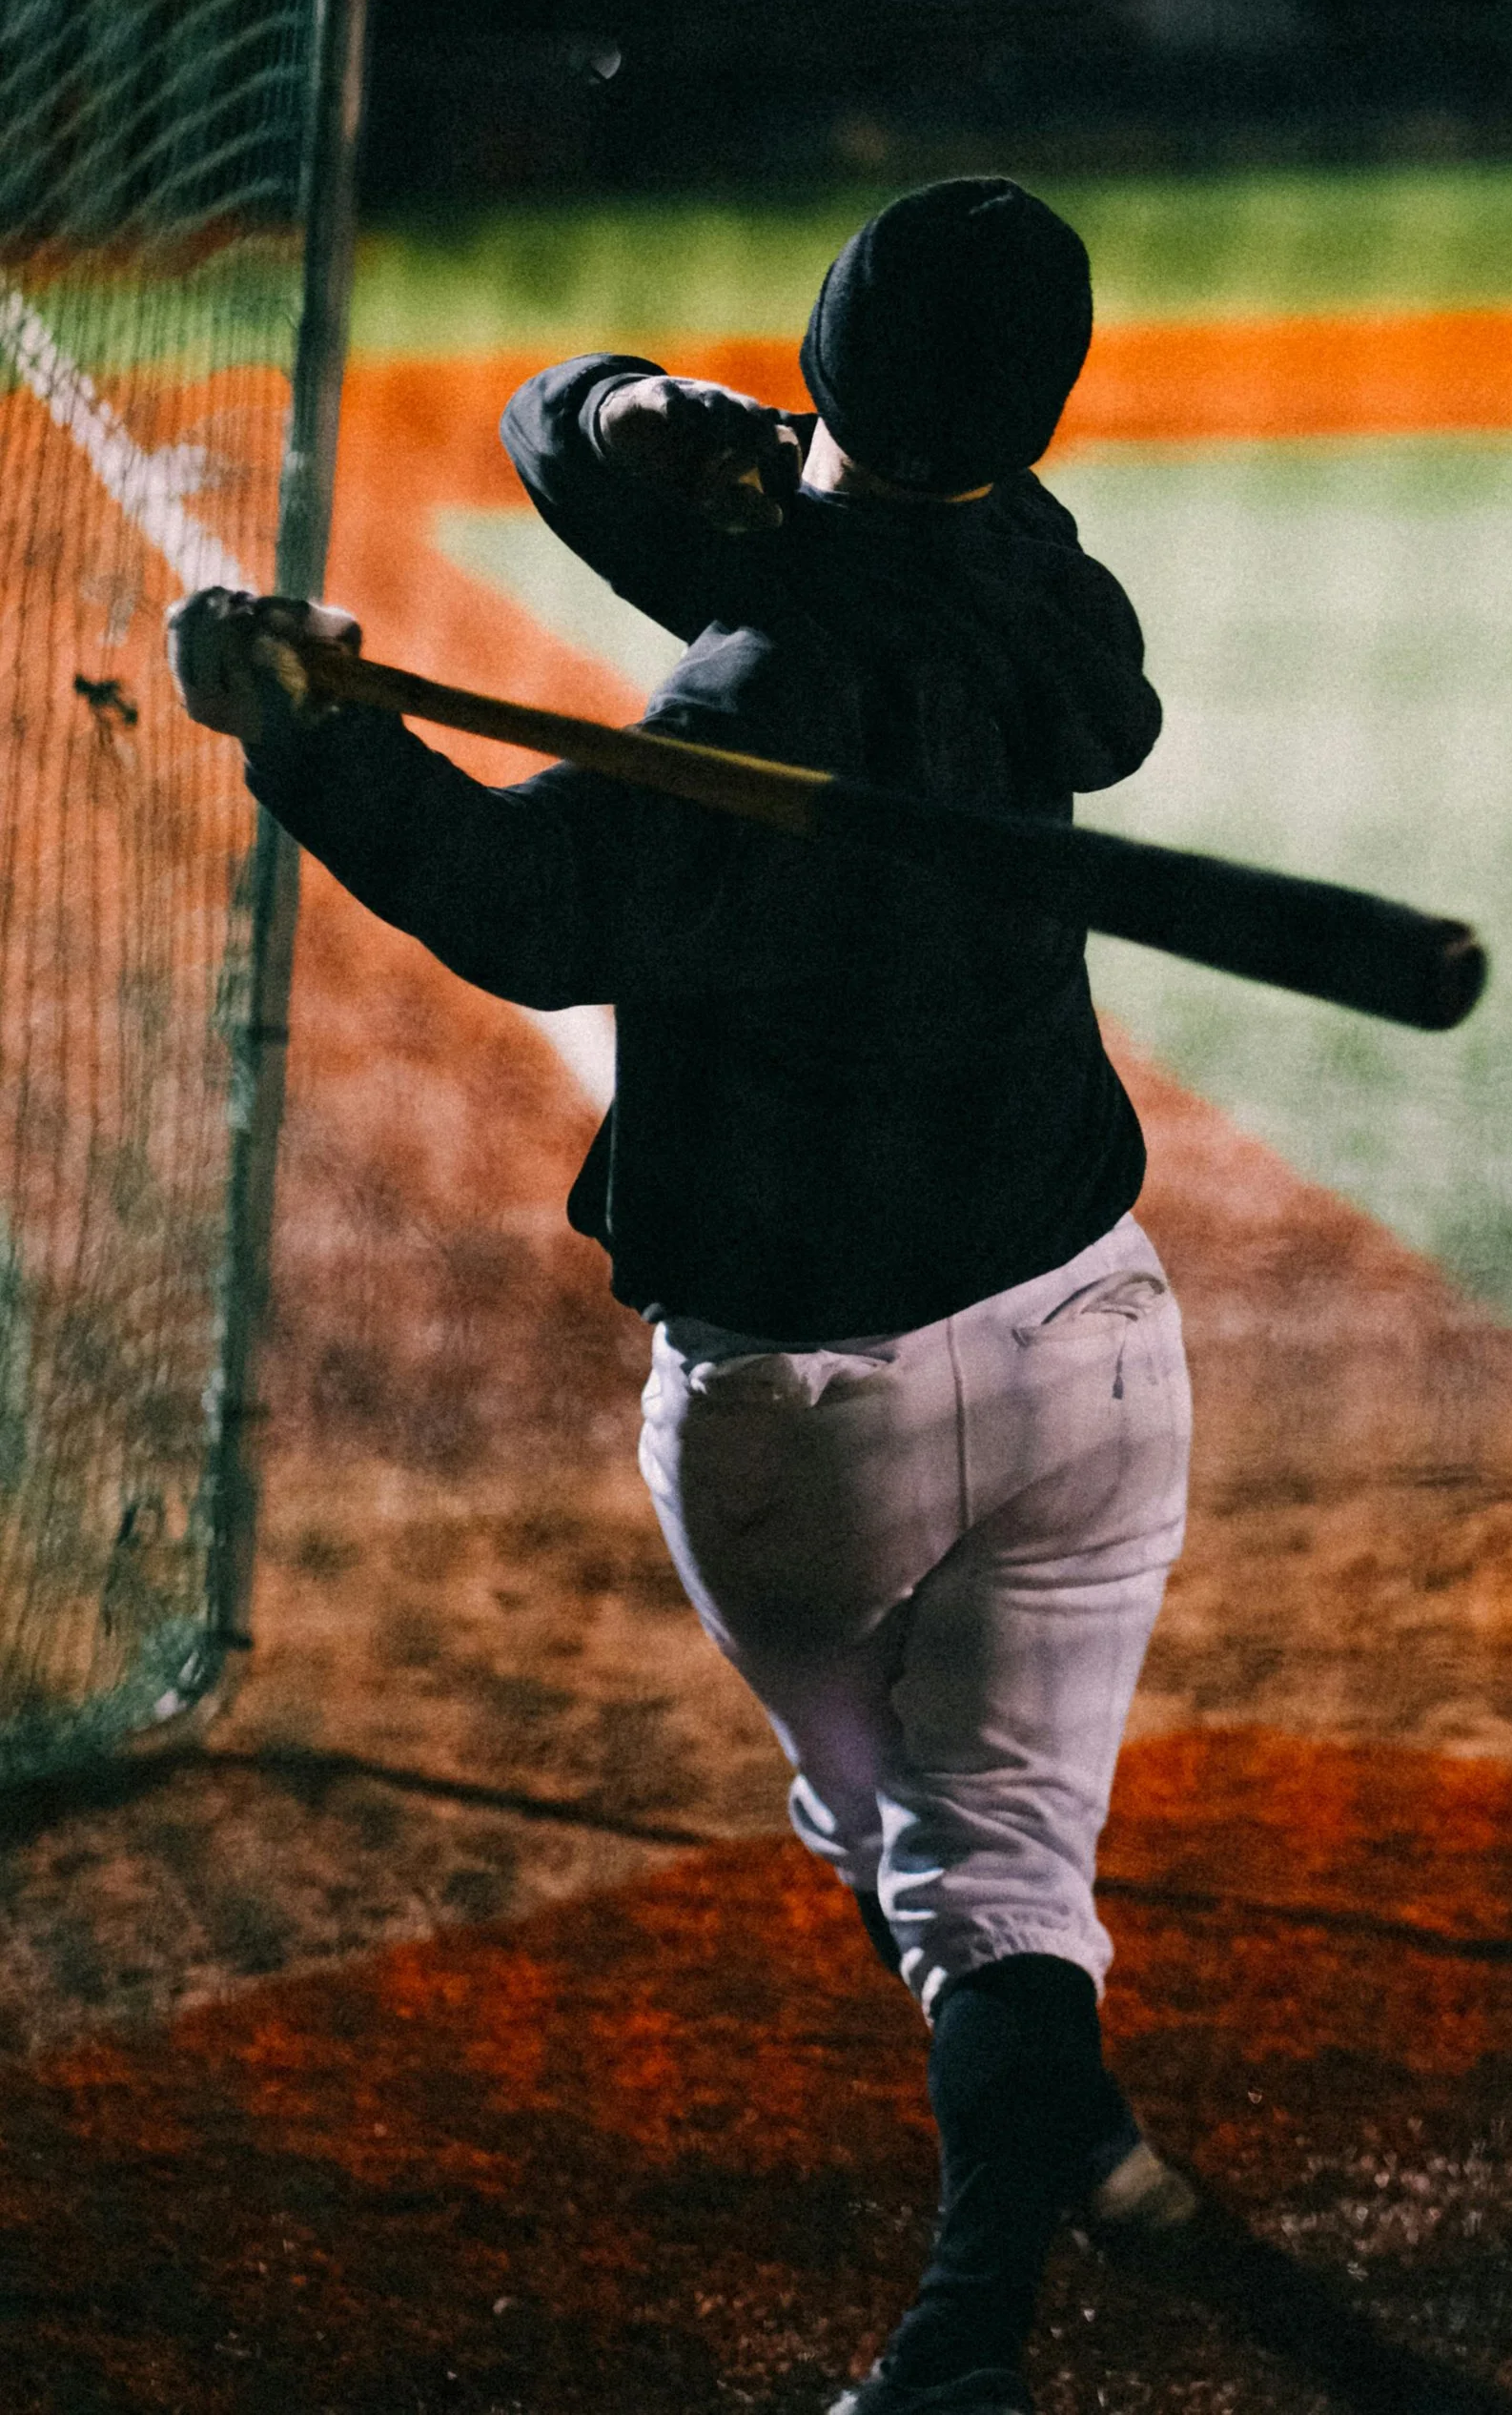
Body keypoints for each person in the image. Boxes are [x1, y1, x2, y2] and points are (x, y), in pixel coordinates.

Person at [170, 176, 1199, 2415]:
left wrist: (305, 731)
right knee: (994, 1860)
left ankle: (959, 2353)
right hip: (1097, 1344)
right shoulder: (1045, 598)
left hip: (800, 1420)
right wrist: (639, 418)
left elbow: (531, 903)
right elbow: (614, 458)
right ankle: (1067, 2125)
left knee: (908, 1858)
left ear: (819, 364)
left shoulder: (753, 677)